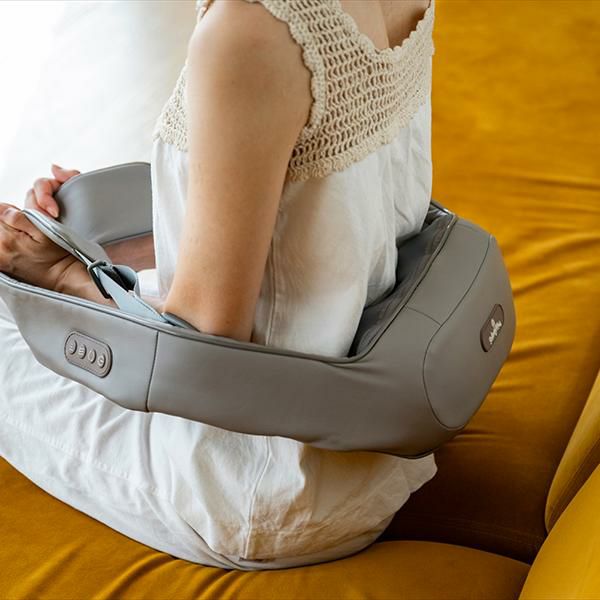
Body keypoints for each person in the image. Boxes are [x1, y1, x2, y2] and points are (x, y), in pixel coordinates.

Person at [0, 0, 437, 570]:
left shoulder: (248, 30)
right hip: (382, 442)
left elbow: (196, 354)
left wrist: (63, 277)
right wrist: (109, 243)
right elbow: (315, 224)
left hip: (258, 485)